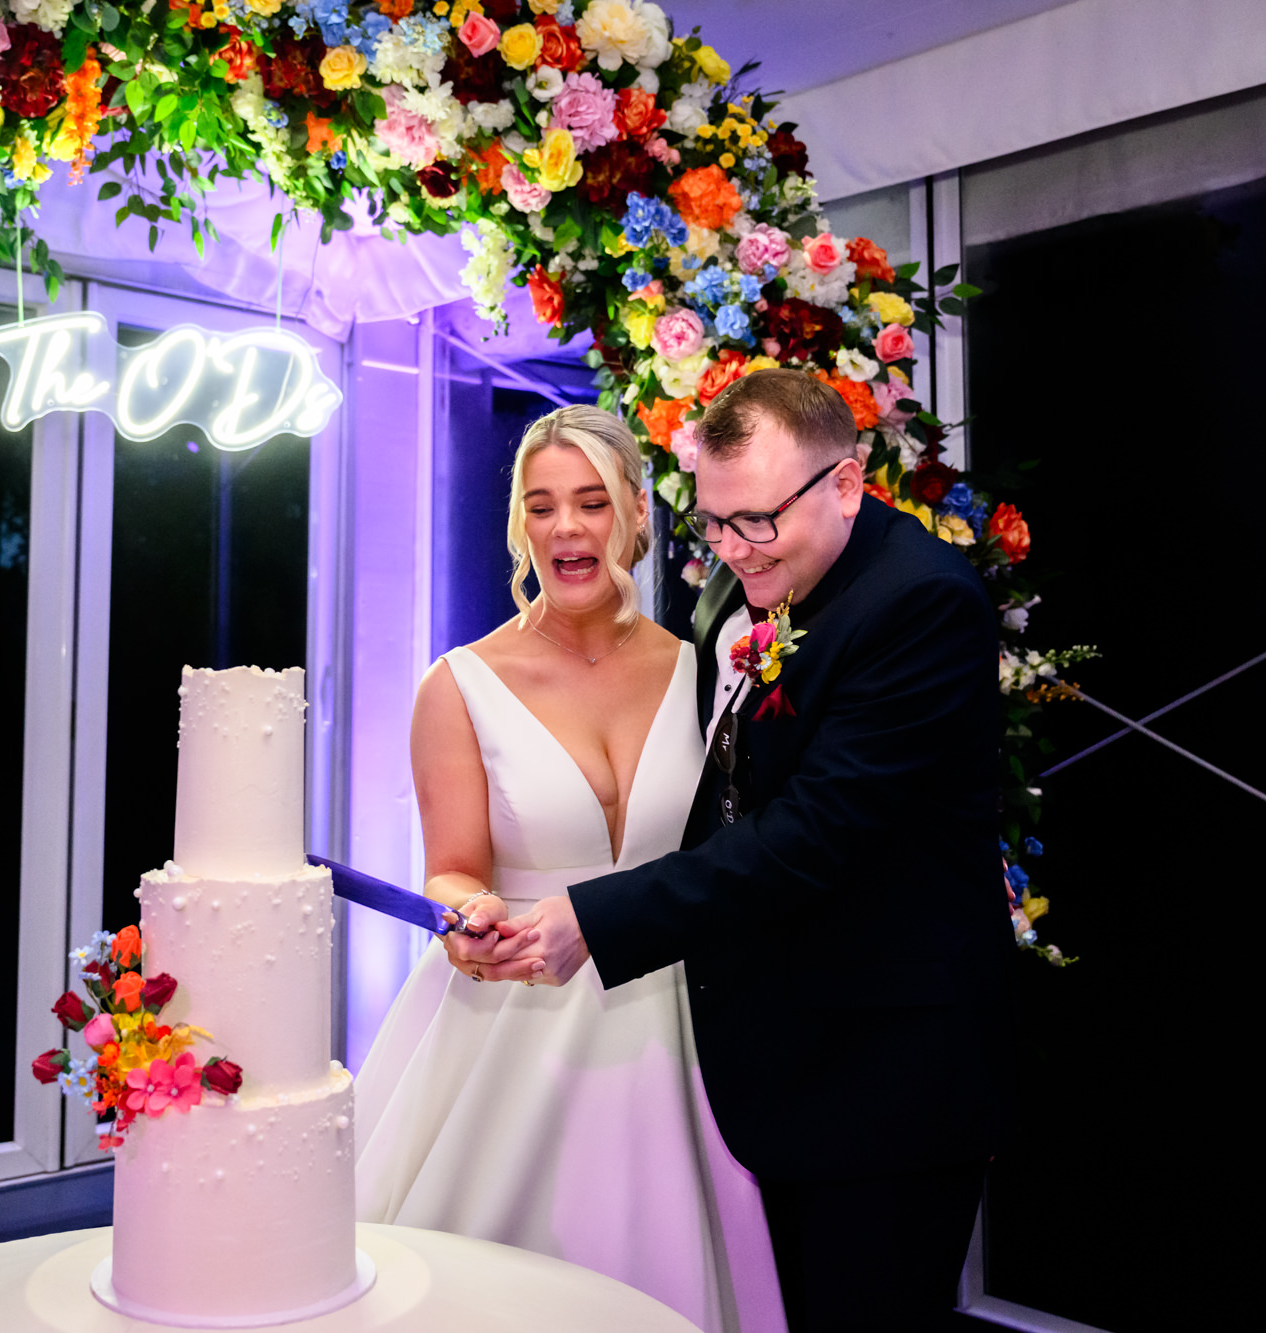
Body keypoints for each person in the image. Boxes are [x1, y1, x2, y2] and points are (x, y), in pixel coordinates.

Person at [487, 370, 1016, 1331]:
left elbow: (811, 837)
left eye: (758, 522)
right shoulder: (746, 579)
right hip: (774, 1055)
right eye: (717, 523)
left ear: (846, 484)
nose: (732, 550)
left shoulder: (920, 605)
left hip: (887, 1066)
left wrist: (597, 917)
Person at [354, 405, 787, 1333]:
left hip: (676, 1024)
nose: (566, 529)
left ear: (636, 512)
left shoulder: (707, 667)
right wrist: (469, 924)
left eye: (590, 503)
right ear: (520, 525)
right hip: (515, 1023)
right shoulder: (458, 682)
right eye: (541, 507)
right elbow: (452, 868)